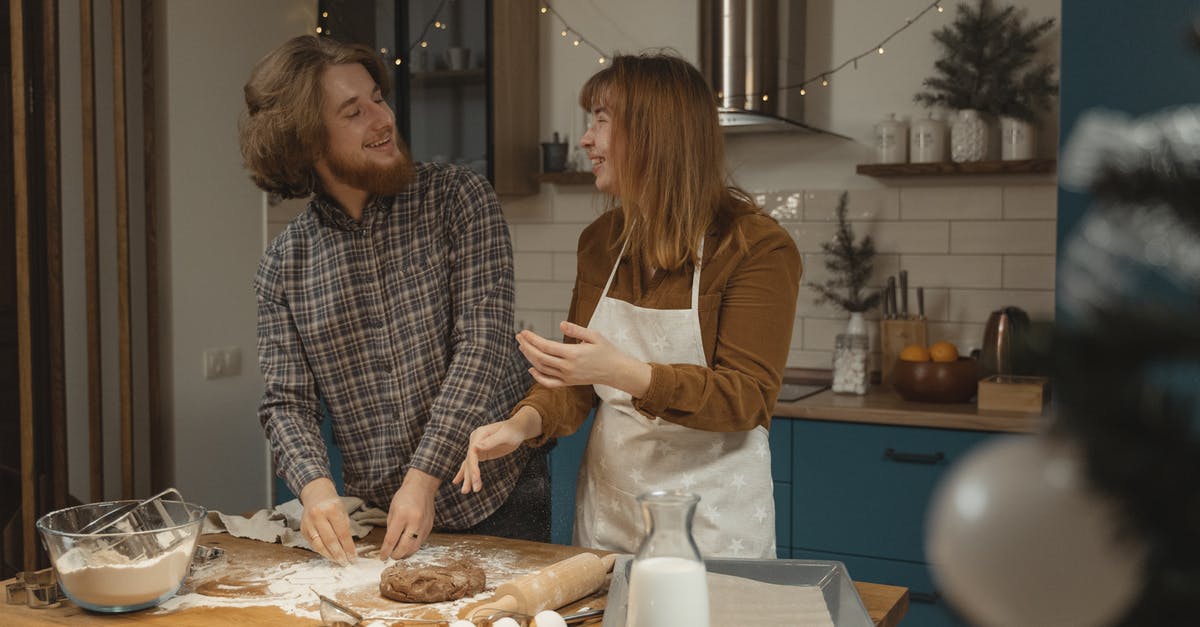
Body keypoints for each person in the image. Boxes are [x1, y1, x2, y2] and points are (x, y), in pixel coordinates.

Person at [454, 53, 801, 559]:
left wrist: (625, 371)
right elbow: (576, 384)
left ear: (653, 132)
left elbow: (747, 399)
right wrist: (521, 424)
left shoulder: (756, 247)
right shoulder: (602, 241)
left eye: (600, 120)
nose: (586, 140)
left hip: (712, 526)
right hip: (610, 518)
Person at [242, 35, 547, 564]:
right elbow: (287, 402)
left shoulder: (459, 200)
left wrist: (423, 479)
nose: (382, 119)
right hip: (380, 514)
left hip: (499, 499)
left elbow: (482, 347)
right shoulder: (282, 266)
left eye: (377, 99)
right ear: (307, 142)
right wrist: (316, 491)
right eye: (353, 112)